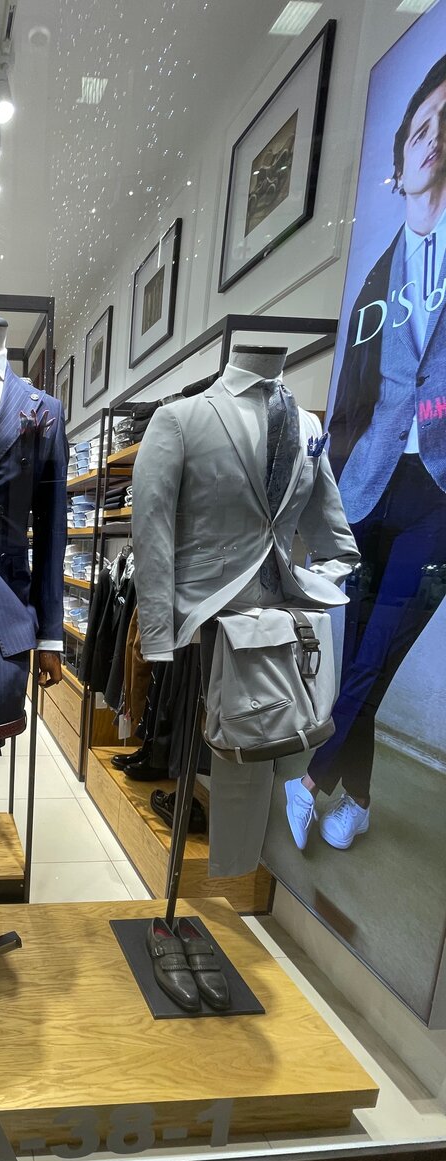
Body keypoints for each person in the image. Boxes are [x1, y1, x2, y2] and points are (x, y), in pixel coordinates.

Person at [284, 54, 446, 851]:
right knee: (361, 655)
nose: (435, 138)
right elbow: (349, 405)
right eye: (422, 126)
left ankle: (311, 779)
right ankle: (361, 800)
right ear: (400, 155)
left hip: (438, 493)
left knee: (380, 645)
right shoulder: (375, 282)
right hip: (370, 484)